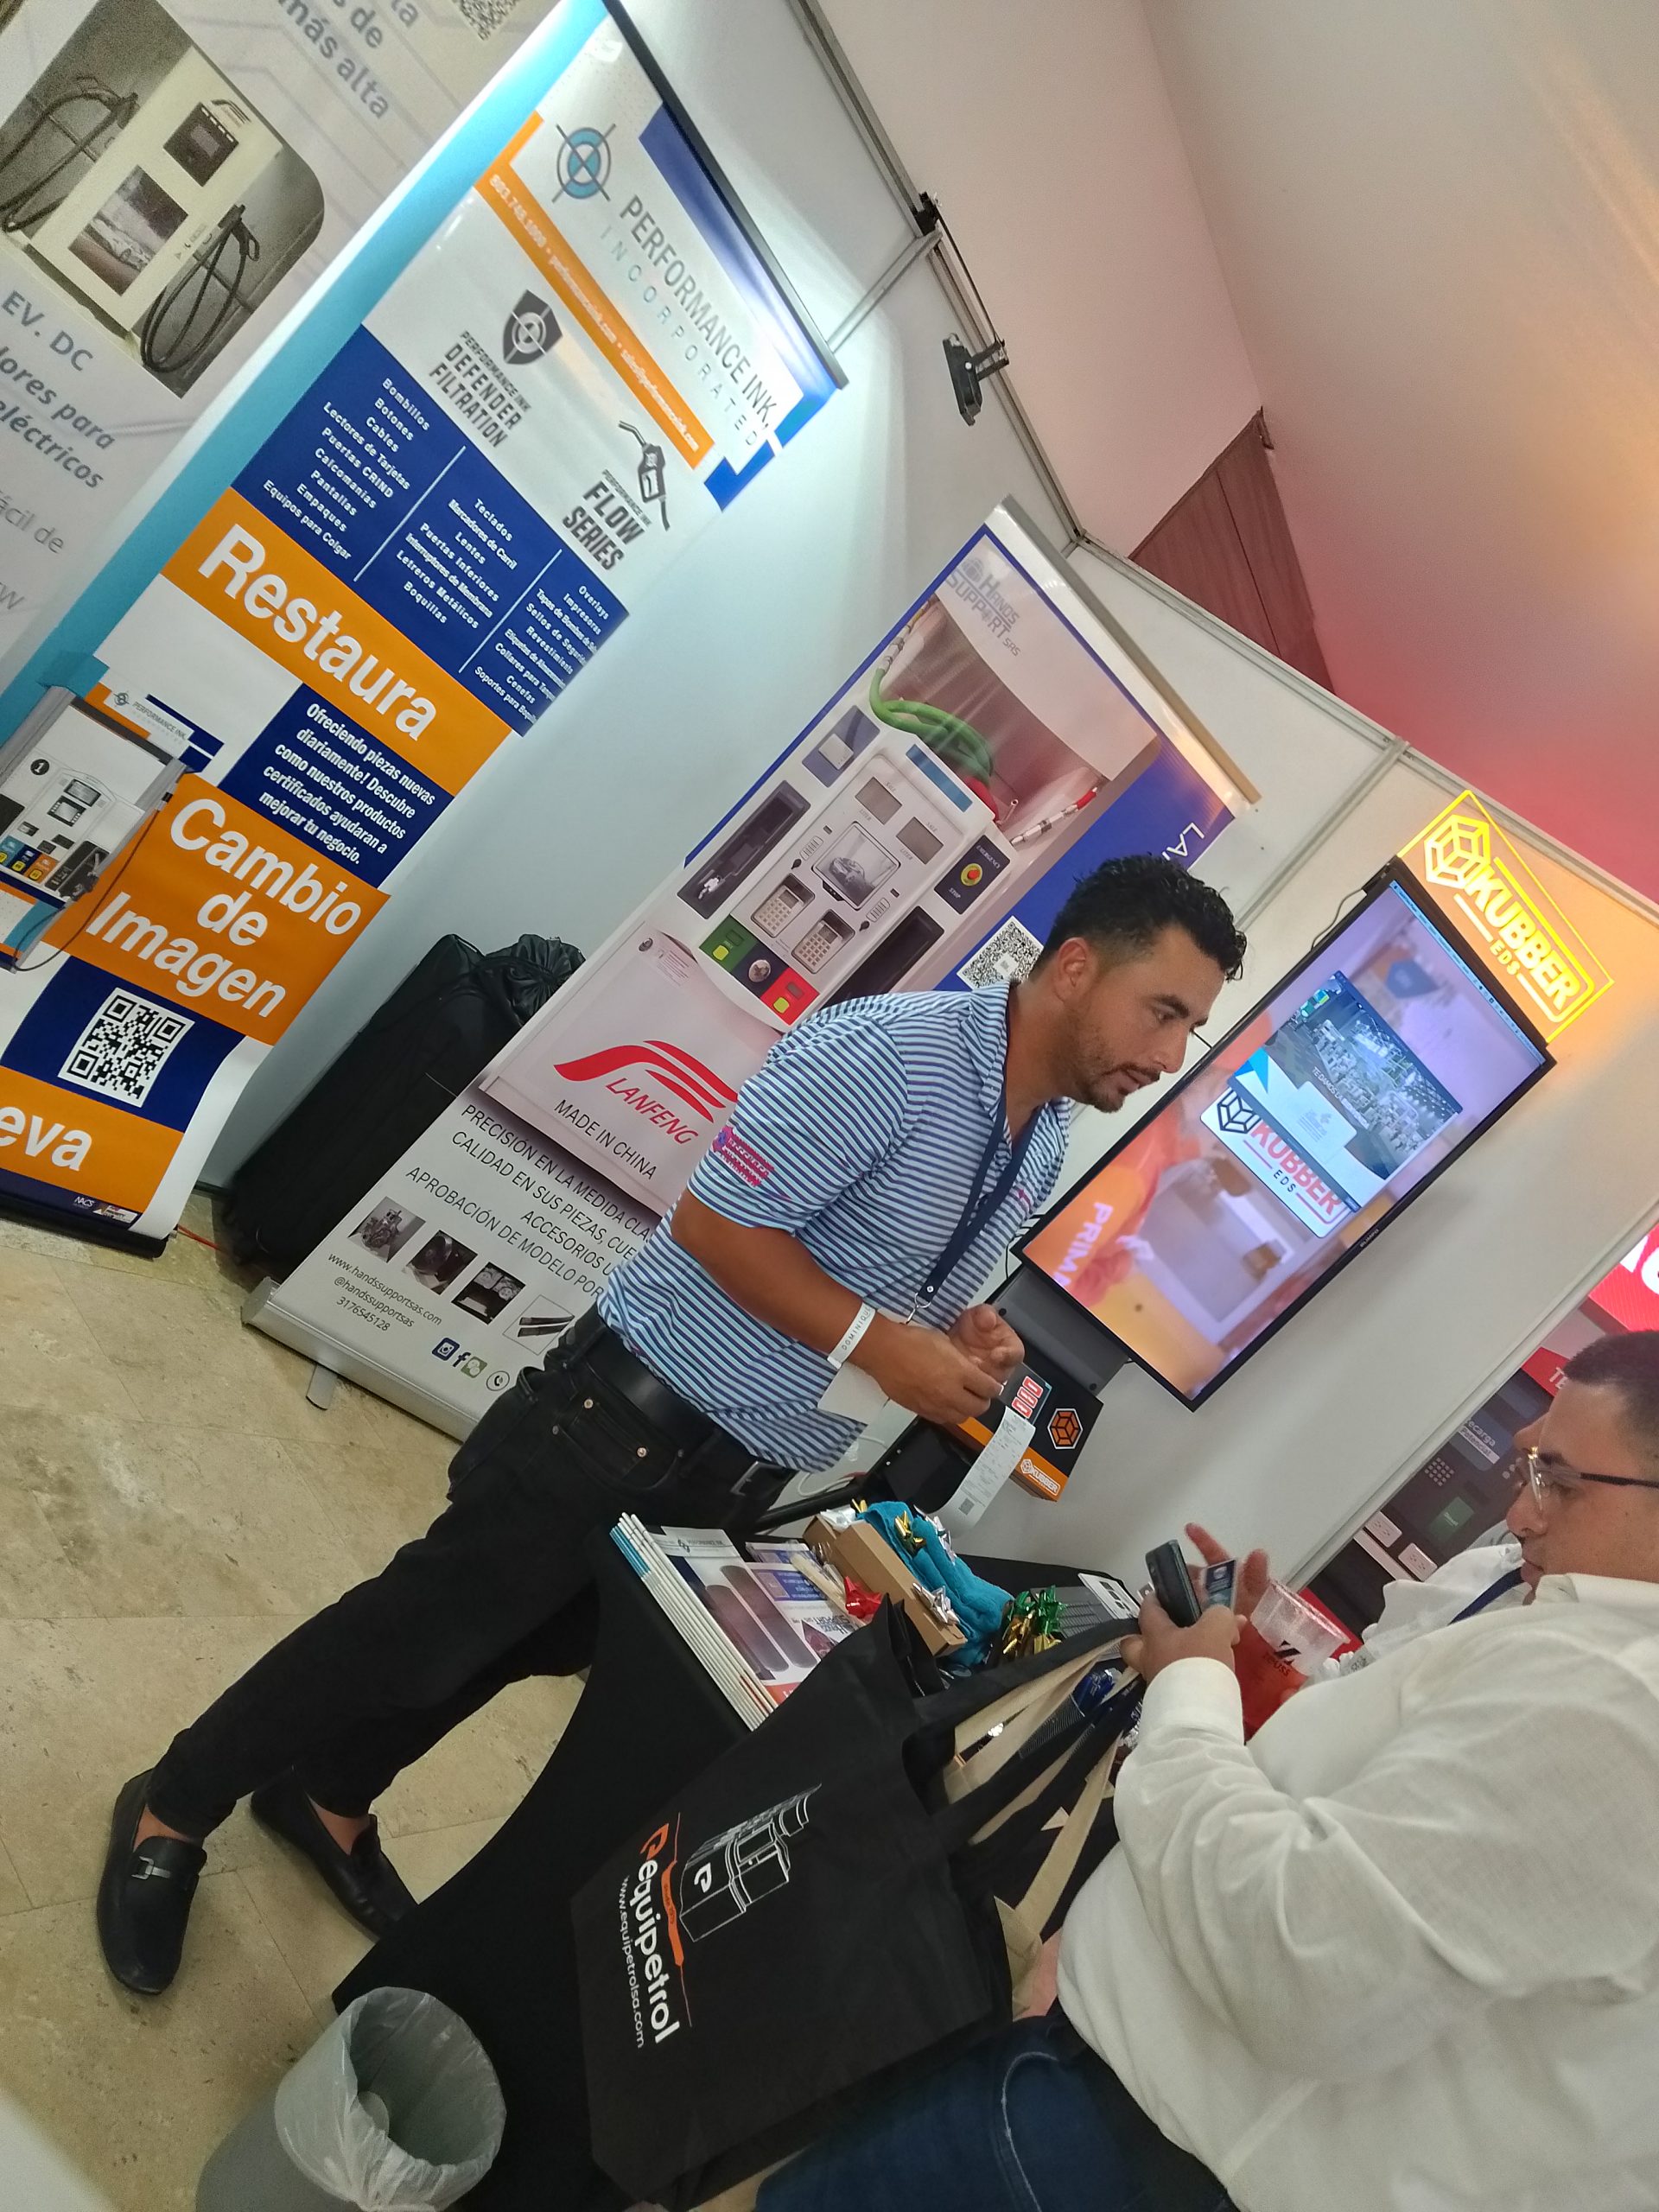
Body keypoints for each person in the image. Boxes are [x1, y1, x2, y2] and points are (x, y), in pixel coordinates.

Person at [97, 855, 1245, 1995]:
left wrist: (962, 1330)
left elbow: (883, 1266)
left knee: (511, 1648)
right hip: (623, 1415)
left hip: (734, 1471)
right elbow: (718, 1223)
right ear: (1075, 967)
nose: (1168, 1054)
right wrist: (875, 1345)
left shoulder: (1038, 1136)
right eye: (1162, 1011)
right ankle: (173, 1804)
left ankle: (328, 1796)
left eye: (1189, 1026)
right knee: (414, 1627)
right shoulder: (893, 1055)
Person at [759, 1329, 1659, 2212]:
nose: (1523, 1513)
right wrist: (1263, 1673)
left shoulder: (1616, 1704)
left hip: (1131, 2154)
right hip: (1110, 2107)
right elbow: (1389, 1792)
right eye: (1531, 1468)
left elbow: (1306, 1967)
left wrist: (1191, 1685)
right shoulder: (1560, 1621)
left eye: (1561, 1481)